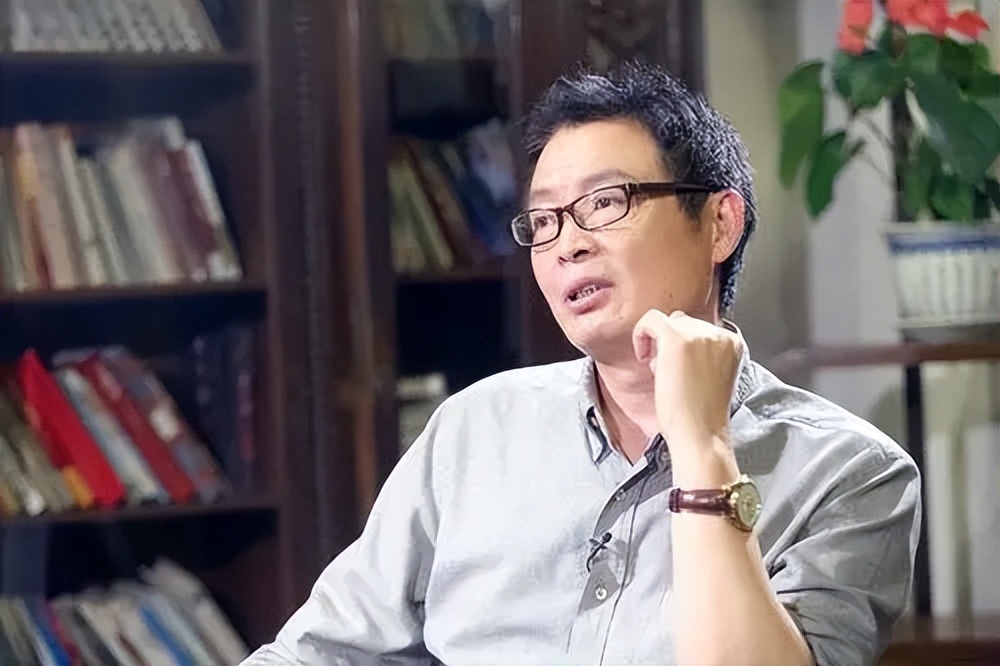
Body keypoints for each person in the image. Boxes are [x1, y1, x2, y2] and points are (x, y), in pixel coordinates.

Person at [241, 61, 920, 666]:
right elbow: (319, 652)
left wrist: (703, 446)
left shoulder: (850, 473)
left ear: (719, 224)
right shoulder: (475, 429)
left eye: (605, 203)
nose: (567, 244)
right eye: (544, 221)